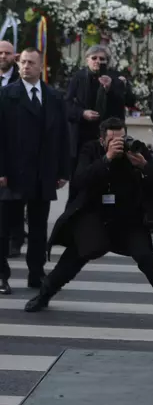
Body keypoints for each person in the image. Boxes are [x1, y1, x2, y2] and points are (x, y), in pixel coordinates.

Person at [23, 118, 153, 329]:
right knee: (73, 258)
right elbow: (80, 180)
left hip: (128, 220)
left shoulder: (134, 149)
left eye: (121, 139)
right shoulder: (90, 150)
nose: (119, 144)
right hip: (96, 217)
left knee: (147, 259)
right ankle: (43, 296)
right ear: (101, 139)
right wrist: (106, 159)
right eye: (113, 140)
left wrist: (144, 165)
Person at [0, 48, 70, 295]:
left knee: (39, 228)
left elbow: (63, 135)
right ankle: (1, 275)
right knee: (5, 226)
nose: (25, 66)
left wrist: (63, 170)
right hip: (13, 172)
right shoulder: (6, 95)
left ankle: (36, 274)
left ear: (41, 67)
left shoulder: (53, 96)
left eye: (31, 63)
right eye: (23, 62)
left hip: (43, 172)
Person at [65, 45, 136, 172]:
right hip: (82, 136)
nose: (98, 61)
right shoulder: (78, 77)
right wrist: (82, 113)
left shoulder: (116, 77)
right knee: (80, 174)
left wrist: (110, 88)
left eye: (102, 59)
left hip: (108, 136)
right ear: (87, 60)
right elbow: (67, 105)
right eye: (94, 58)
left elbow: (129, 101)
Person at [0, 40, 25, 259]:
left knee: (14, 199)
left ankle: (15, 239)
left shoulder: (21, 82)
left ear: (14, 57)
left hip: (14, 145)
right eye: (0, 52)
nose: (3, 56)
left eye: (7, 53)